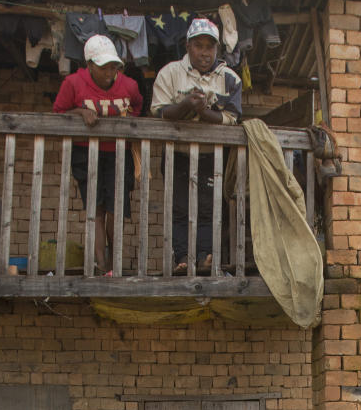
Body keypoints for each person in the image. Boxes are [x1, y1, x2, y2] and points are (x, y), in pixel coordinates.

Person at [150, 16, 242, 274]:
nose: (204, 52)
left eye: (209, 47)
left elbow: (232, 119)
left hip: (212, 156)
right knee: (179, 207)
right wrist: (186, 106)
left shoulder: (229, 78)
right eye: (198, 46)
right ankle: (182, 257)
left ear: (217, 49)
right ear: (188, 47)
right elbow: (159, 112)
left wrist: (203, 111)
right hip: (177, 156)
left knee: (210, 207)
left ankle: (205, 256)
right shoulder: (169, 73)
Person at [52, 33, 143, 274]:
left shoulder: (129, 85)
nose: (109, 72)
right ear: (90, 65)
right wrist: (80, 112)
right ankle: (101, 265)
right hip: (86, 153)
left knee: (116, 208)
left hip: (118, 153)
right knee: (96, 209)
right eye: (103, 67)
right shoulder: (73, 83)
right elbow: (58, 113)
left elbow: (137, 107)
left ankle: (115, 264)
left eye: (113, 66)